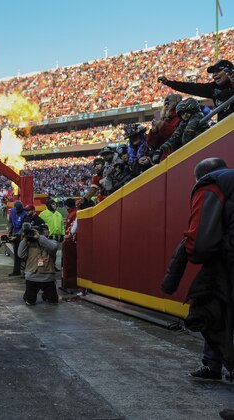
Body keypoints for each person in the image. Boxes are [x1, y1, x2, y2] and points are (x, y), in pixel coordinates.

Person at [161, 158, 234, 384]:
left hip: (227, 259)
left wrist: (194, 253)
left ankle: (222, 366)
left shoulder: (210, 184)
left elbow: (200, 241)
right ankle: (212, 365)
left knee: (205, 312)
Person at [158, 60, 234, 122]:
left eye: (218, 71)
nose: (214, 75)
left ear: (229, 71)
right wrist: (168, 82)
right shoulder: (213, 88)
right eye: (213, 72)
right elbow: (191, 87)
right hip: (224, 129)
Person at [152, 98, 210, 164]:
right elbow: (175, 137)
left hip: (204, 146)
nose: (184, 115)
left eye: (187, 111)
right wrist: (161, 150)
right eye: (182, 113)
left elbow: (187, 136)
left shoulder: (197, 117)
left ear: (193, 110)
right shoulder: (183, 123)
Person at [18, 221, 59, 305]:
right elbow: (20, 255)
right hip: (32, 277)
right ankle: (27, 295)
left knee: (54, 301)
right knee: (30, 302)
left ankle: (46, 295)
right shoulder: (28, 243)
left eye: (45, 230)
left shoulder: (52, 242)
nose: (44, 232)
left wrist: (39, 237)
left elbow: (52, 248)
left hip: (48, 277)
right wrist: (25, 239)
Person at [61, 198, 78, 292]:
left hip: (70, 242)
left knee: (69, 263)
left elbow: (72, 229)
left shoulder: (74, 213)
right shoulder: (72, 212)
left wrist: (69, 237)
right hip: (68, 240)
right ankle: (66, 283)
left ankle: (69, 284)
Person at [7, 201, 27, 276]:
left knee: (23, 254)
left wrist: (18, 234)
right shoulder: (12, 211)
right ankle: (16, 271)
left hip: (23, 236)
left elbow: (24, 226)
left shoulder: (25, 213)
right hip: (15, 234)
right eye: (16, 210)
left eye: (19, 211)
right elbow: (11, 222)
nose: (17, 212)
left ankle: (25, 271)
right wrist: (9, 231)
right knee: (16, 253)